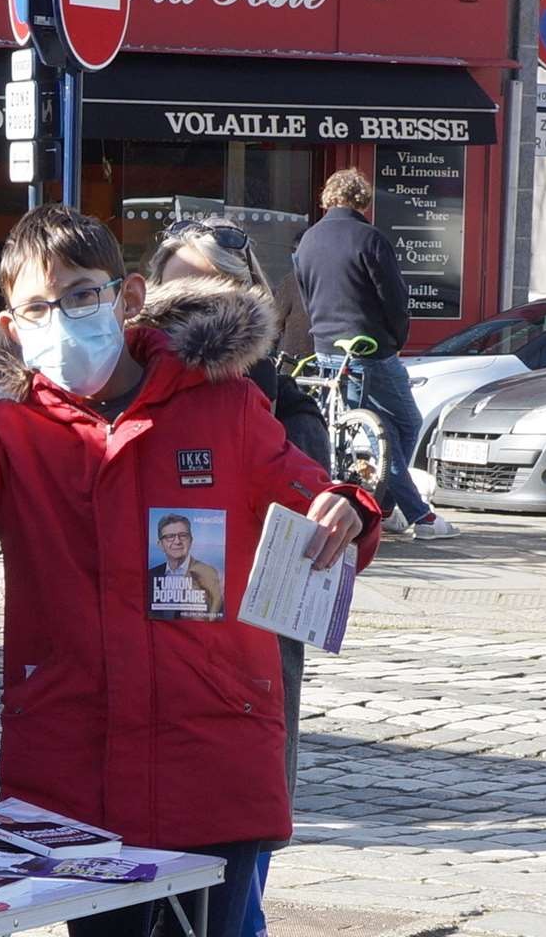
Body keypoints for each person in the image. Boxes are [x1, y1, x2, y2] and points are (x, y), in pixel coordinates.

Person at [0, 196, 382, 937]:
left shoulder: (223, 408)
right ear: (11, 327)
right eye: (38, 308)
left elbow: (321, 505)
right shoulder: (13, 435)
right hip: (78, 769)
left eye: (81, 295)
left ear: (127, 296)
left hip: (210, 759)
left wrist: (351, 506)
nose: (63, 320)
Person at [140, 215, 329, 937]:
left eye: (214, 292)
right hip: (147, 675)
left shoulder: (280, 408)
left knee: (231, 892)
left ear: (248, 299)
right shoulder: (127, 394)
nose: (195, 311)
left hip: (242, 671)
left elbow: (313, 560)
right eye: (178, 291)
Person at [292, 168, 457, 540]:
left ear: (328, 199)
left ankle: (387, 508)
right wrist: (395, 339)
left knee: (371, 430)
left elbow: (305, 297)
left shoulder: (307, 242)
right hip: (369, 348)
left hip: (326, 348)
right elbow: (394, 298)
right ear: (362, 200)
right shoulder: (369, 239)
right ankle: (420, 517)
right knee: (403, 425)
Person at [148, 514, 223, 619]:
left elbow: (217, 613)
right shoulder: (150, 575)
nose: (177, 541)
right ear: (160, 544)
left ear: (191, 540)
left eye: (183, 535)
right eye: (170, 537)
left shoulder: (208, 572)